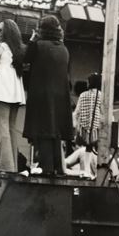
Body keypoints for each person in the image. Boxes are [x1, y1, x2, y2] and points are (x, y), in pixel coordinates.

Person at [22, 16, 73, 175]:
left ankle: (47, 168)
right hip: (60, 96)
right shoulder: (64, 49)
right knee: (55, 132)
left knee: (43, 131)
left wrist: (32, 40)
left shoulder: (38, 45)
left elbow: (25, 58)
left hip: (42, 94)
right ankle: (58, 167)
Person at [0, 19, 26, 173]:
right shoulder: (18, 49)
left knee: (2, 127)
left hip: (1, 89)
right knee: (11, 128)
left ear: (3, 33)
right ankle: (13, 165)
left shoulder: (0, 46)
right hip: (16, 90)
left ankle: (4, 165)